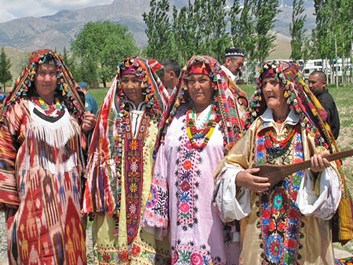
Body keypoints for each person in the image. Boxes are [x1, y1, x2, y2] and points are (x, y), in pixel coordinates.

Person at [213, 61, 343, 264]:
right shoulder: (257, 128)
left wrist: (318, 172)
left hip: (303, 228)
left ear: (289, 87)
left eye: (274, 82)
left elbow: (331, 172)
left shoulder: (306, 128)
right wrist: (240, 177)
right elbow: (229, 165)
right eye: (264, 83)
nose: (267, 89)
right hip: (260, 230)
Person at [142, 55, 248, 264]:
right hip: (180, 214)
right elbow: (162, 164)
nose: (196, 86)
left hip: (216, 212)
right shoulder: (176, 119)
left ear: (214, 82)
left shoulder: (229, 119)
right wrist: (159, 210)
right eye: (192, 81)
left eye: (203, 80)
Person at [0, 49, 96, 264]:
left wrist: (87, 130)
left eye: (52, 73)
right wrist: (10, 195)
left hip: (68, 198)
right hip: (32, 200)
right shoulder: (18, 110)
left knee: (68, 248)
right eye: (42, 73)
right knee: (34, 249)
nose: (47, 78)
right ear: (32, 76)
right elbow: (4, 148)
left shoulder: (70, 110)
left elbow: (83, 150)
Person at [82, 57, 171, 264]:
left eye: (136, 80)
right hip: (118, 198)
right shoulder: (111, 117)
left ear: (146, 82)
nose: (130, 86)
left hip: (149, 196)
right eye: (125, 80)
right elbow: (98, 157)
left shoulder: (160, 117)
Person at [308, 70, 340, 139]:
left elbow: (324, 126)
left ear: (324, 84)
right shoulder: (318, 98)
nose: (310, 85)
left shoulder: (324, 100)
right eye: (309, 82)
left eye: (313, 82)